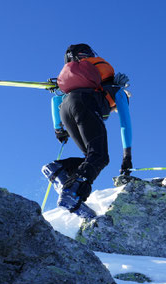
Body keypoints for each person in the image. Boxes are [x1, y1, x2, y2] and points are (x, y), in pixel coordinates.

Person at [41, 43, 133, 213]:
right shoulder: (118, 92)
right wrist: (127, 157)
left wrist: (58, 129)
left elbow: (55, 101)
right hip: (86, 104)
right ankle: (73, 195)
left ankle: (58, 168)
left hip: (66, 109)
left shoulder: (78, 85)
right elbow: (125, 124)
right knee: (100, 157)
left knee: (90, 158)